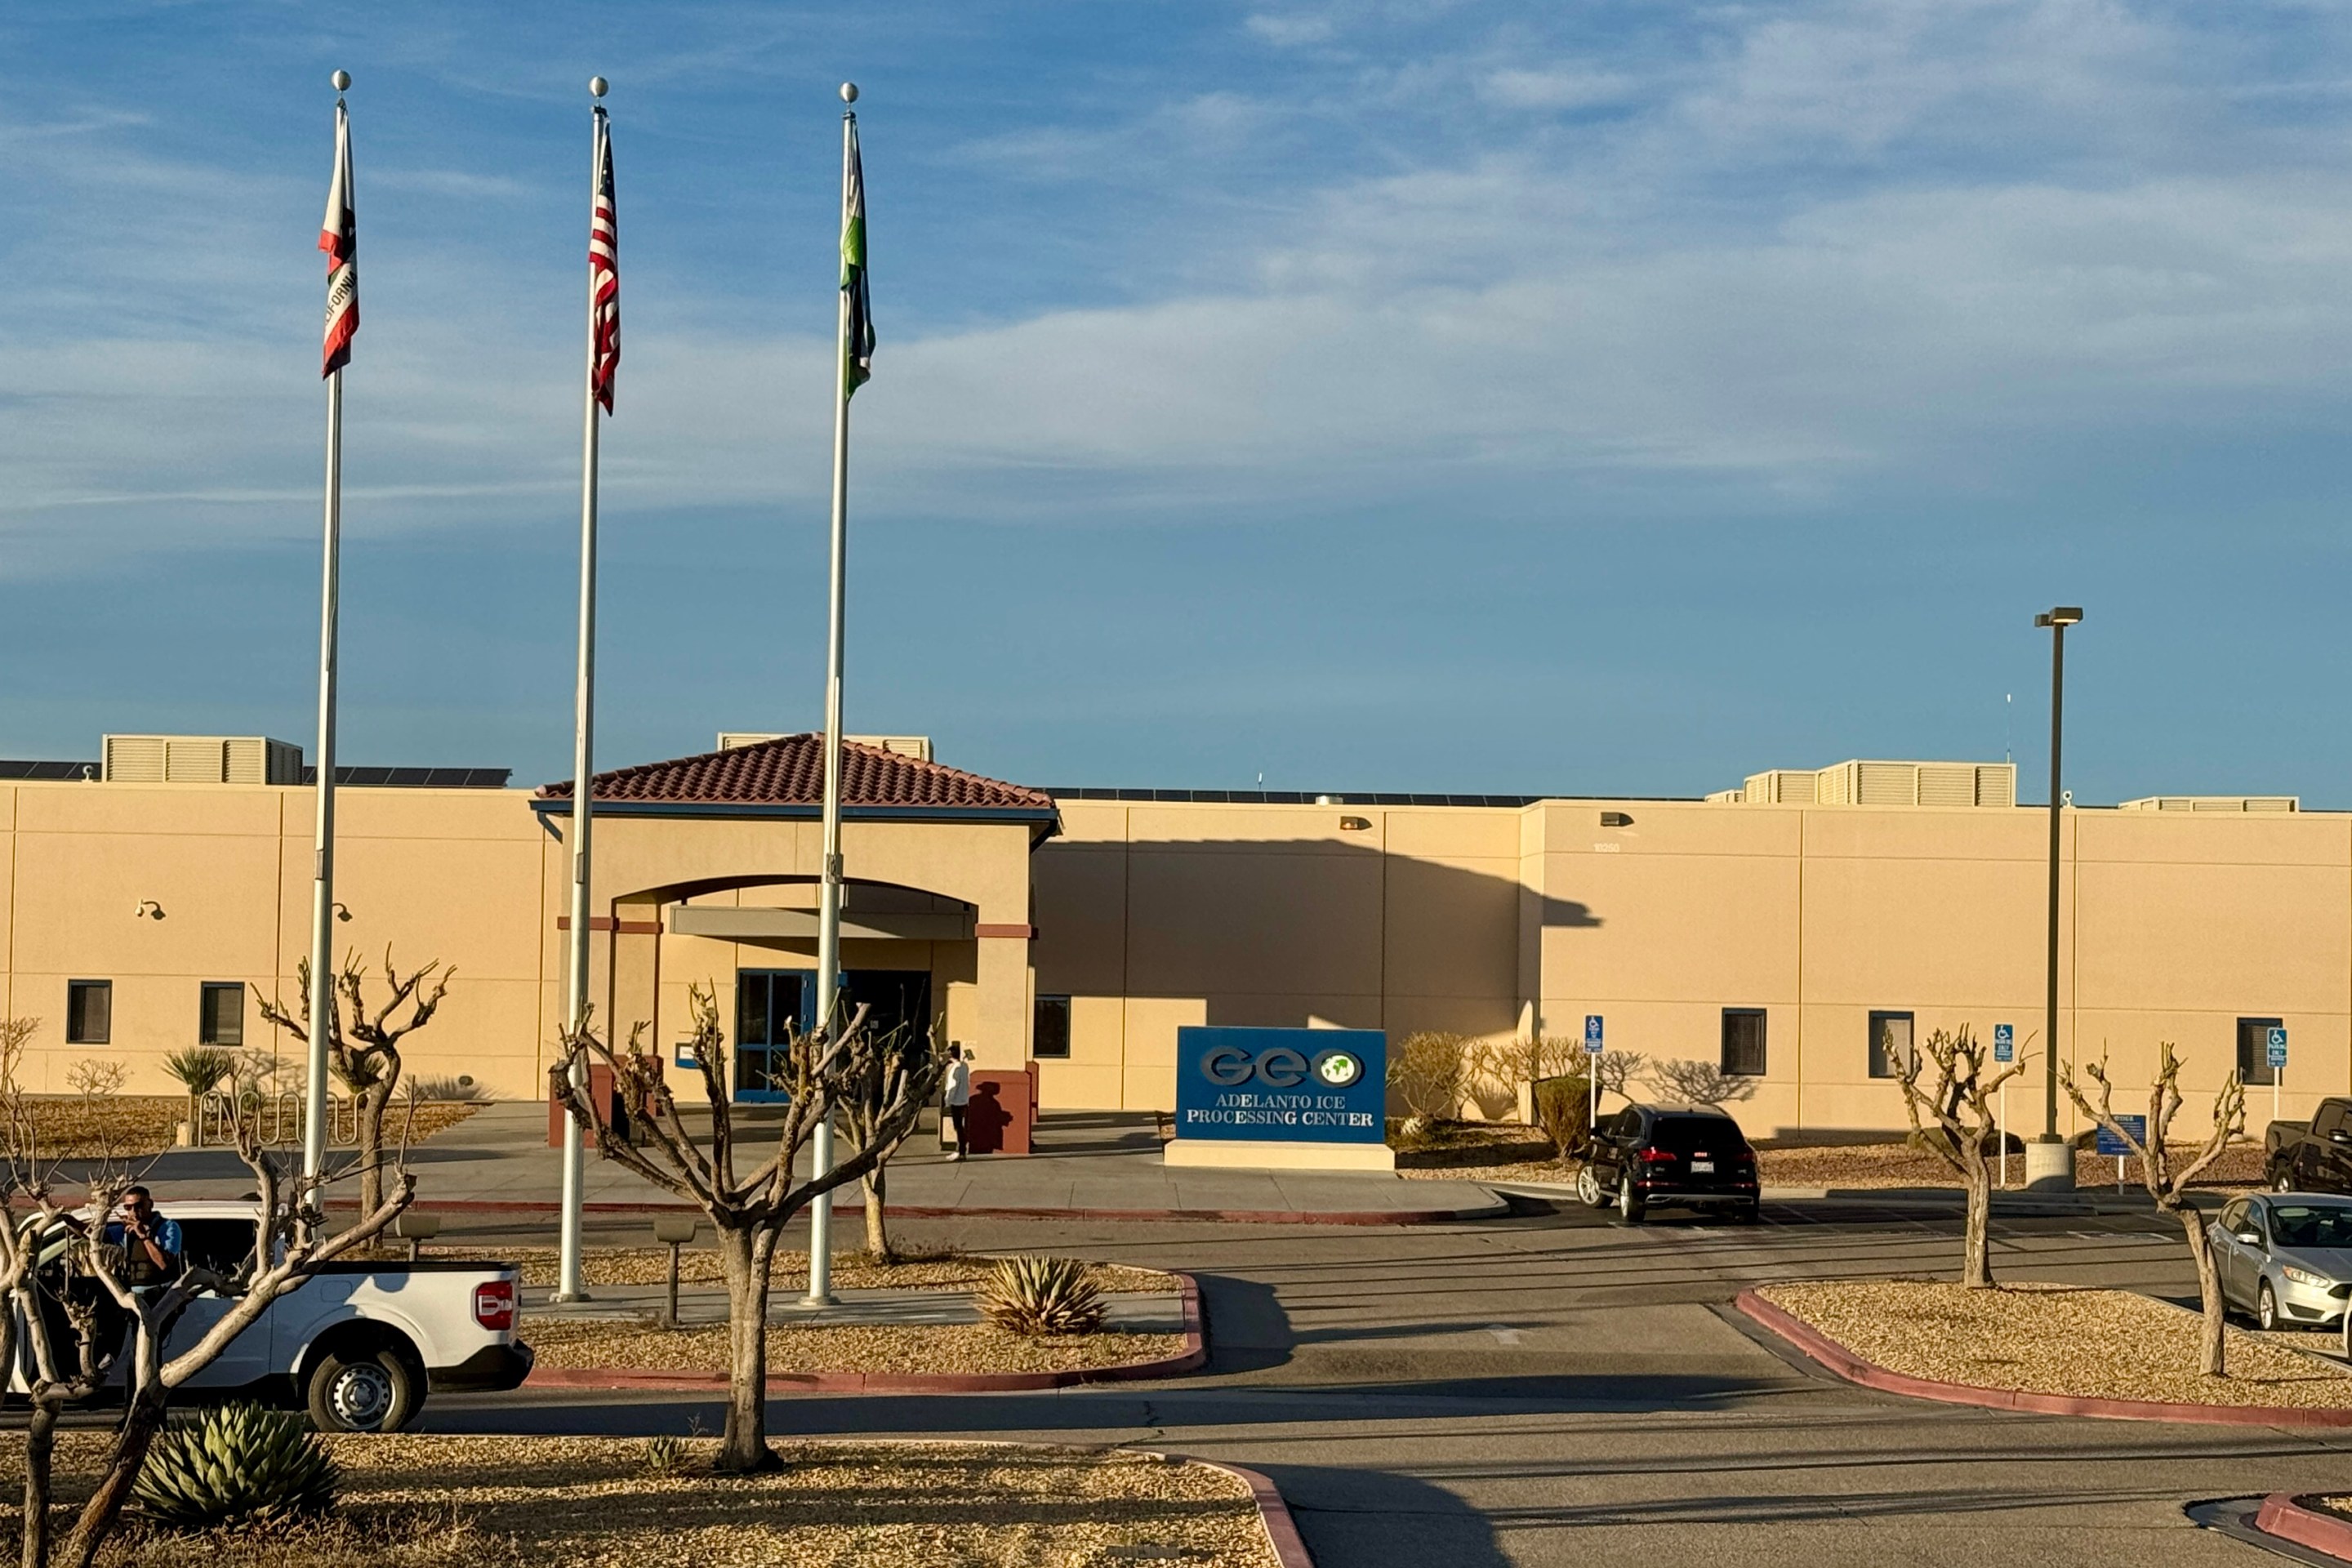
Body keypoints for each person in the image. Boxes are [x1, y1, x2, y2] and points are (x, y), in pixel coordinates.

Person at [102, 1186, 184, 1291]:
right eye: (128, 1207)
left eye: (139, 1206)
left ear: (150, 1204)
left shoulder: (168, 1227)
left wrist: (144, 1236)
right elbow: (94, 1235)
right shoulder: (124, 1230)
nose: (134, 1212)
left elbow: (163, 1264)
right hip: (132, 1295)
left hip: (162, 1295)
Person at [942, 1044, 971, 1161]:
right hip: (964, 1099)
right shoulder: (965, 1066)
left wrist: (948, 1101)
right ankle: (961, 1150)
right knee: (960, 1127)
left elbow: (953, 1086)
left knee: (958, 1127)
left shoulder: (956, 1068)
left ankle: (961, 1151)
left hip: (956, 1101)